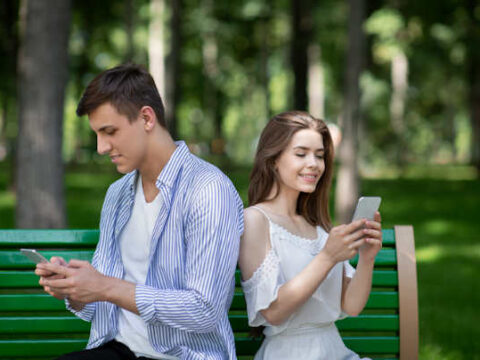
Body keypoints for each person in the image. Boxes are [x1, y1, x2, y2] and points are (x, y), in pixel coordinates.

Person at [35, 64, 244, 360]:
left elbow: (205, 310)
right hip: (117, 350)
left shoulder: (208, 189)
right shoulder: (118, 194)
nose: (101, 147)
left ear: (146, 118)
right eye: (97, 134)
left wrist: (106, 286)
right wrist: (74, 288)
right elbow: (103, 302)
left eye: (109, 132)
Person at [238, 111, 382, 360]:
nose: (314, 164)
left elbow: (351, 305)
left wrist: (367, 258)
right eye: (301, 154)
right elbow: (273, 311)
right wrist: (327, 257)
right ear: (273, 160)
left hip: (336, 351)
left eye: (320, 155)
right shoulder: (255, 220)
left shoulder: (318, 226)